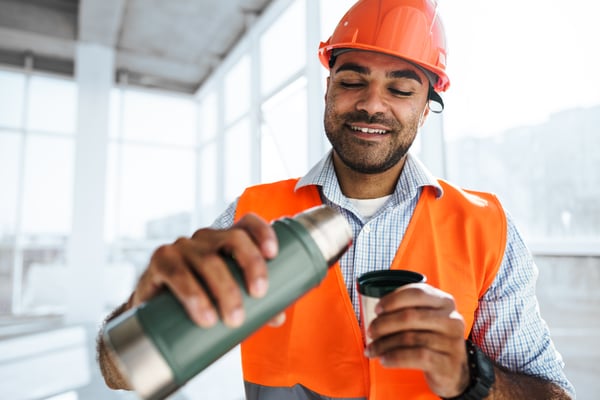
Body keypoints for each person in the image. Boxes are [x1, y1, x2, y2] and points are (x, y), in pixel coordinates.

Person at [97, 0, 575, 398]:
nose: (371, 103)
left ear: (427, 109)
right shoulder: (251, 215)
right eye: (351, 81)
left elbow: (554, 394)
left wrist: (473, 376)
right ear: (327, 90)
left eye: (401, 88)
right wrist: (144, 305)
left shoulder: (485, 227)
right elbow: (121, 371)